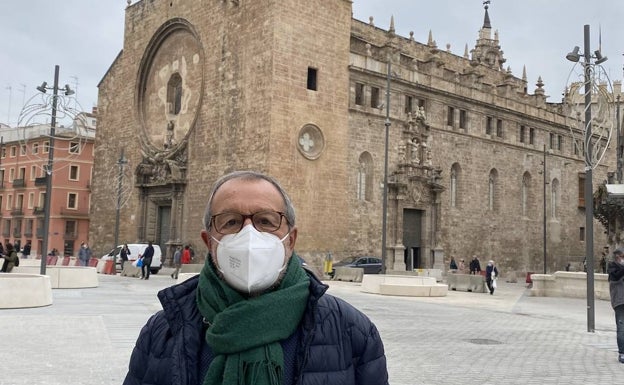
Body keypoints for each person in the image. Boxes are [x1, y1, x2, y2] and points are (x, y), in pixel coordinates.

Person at [123, 170, 388, 384]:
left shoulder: (352, 331)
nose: (249, 234)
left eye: (266, 221)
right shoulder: (162, 331)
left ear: (290, 239)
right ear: (209, 241)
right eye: (230, 222)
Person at [607, 247, 624, 364]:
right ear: (618, 257)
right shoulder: (612, 267)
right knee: (621, 329)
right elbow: (616, 276)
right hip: (620, 302)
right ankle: (622, 353)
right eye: (623, 256)